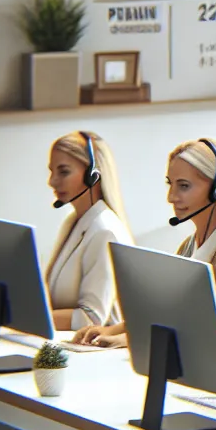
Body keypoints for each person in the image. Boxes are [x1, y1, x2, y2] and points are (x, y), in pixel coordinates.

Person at [73, 137, 216, 363]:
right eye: (170, 184)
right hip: (193, 373)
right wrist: (114, 331)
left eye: (184, 186)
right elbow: (170, 317)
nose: (171, 197)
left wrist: (137, 343)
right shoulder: (191, 244)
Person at [42, 130, 134, 332]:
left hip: (95, 353)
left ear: (93, 175)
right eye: (52, 171)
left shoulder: (104, 230)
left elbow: (91, 317)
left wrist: (35, 318)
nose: (52, 181)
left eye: (63, 171)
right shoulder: (74, 222)